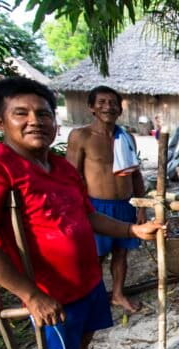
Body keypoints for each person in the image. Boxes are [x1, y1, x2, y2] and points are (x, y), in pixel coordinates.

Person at [0, 77, 163, 349]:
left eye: (44, 113)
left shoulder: (61, 168)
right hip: (51, 289)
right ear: (0, 122)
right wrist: (30, 294)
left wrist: (131, 230)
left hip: (86, 279)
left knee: (84, 340)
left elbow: (88, 216)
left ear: (55, 119)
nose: (35, 120)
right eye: (21, 113)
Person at [66, 86, 147, 314]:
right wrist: (79, 209)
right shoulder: (81, 136)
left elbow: (135, 173)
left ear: (120, 109)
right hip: (95, 206)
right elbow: (71, 176)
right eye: (101, 102)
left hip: (125, 204)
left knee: (121, 253)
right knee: (95, 257)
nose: (108, 107)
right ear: (91, 107)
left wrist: (141, 207)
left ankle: (118, 294)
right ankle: (93, 297)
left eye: (113, 103)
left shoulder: (126, 136)